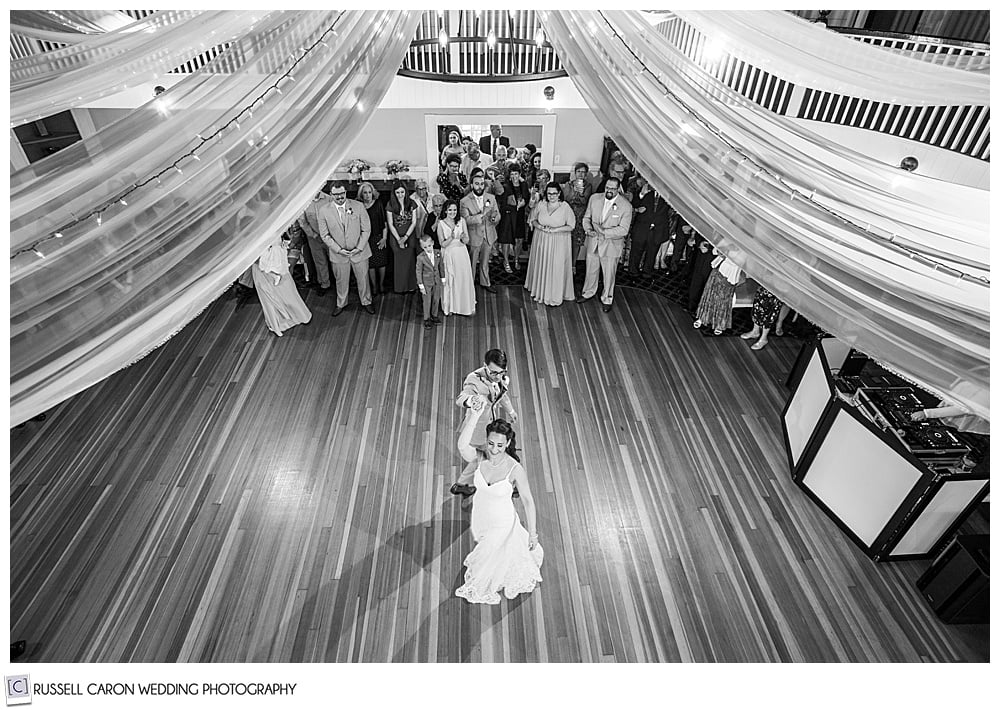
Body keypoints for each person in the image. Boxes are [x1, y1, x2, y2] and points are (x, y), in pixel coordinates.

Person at [454, 405, 542, 605]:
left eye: (500, 446)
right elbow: (462, 447)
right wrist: (474, 416)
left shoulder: (515, 469)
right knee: (493, 552)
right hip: (482, 516)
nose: (494, 450)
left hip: (502, 522)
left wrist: (533, 532)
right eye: (491, 443)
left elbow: (528, 501)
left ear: (508, 443)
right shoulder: (480, 458)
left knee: (489, 559)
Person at [451, 348, 519, 495]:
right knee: (494, 457)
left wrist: (511, 411)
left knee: (481, 458)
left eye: (502, 372)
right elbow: (461, 397)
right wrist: (471, 401)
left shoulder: (498, 376)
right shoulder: (473, 379)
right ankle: (508, 485)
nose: (497, 376)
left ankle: (462, 484)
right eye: (493, 372)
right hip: (478, 431)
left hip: (491, 427)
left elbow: (502, 395)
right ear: (485, 365)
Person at [318, 182, 374, 316]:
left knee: (363, 279)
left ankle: (366, 301)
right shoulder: (323, 211)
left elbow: (366, 229)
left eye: (342, 193)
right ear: (331, 195)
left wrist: (359, 247)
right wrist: (338, 250)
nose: (339, 197)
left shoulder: (358, 206)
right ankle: (341, 303)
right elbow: (325, 235)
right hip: (339, 254)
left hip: (359, 252)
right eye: (336, 194)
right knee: (341, 281)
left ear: (346, 193)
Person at [579, 176, 633, 313]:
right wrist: (588, 230)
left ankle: (607, 298)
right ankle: (588, 292)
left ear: (618, 189)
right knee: (591, 270)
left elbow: (624, 230)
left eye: (613, 189)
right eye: (607, 187)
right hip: (593, 242)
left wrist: (604, 232)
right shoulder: (594, 198)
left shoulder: (626, 206)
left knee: (609, 274)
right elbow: (587, 218)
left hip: (611, 245)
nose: (609, 191)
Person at [525, 181, 576, 306]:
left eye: (554, 193)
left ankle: (553, 294)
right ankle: (540, 290)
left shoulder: (565, 207)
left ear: (559, 194)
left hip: (558, 241)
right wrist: (541, 227)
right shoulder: (541, 205)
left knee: (556, 266)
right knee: (542, 264)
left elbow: (571, 226)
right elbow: (532, 219)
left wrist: (555, 230)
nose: (551, 196)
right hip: (541, 239)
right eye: (549, 193)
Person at [251, 233, 312, 336]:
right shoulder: (270, 232)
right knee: (269, 297)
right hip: (269, 267)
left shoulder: (268, 234)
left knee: (282, 294)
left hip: (275, 264)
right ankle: (279, 323)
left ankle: (293, 317)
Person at [460, 173, 501, 294]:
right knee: (472, 263)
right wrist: (482, 215)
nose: (479, 186)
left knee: (485, 262)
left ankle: (485, 282)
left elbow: (497, 213)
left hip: (488, 234)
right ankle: (470, 285)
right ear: (472, 185)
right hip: (474, 236)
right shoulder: (464, 201)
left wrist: (495, 218)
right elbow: (466, 220)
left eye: (482, 184)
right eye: (477, 184)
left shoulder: (491, 197)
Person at [437, 199, 476, 316]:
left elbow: (467, 239)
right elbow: (442, 244)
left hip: (461, 254)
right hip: (448, 253)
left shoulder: (462, 221)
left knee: (462, 279)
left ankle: (463, 306)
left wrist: (464, 238)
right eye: (450, 210)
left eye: (454, 210)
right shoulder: (441, 224)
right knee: (450, 281)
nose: (452, 212)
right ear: (445, 210)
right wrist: (451, 237)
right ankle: (450, 306)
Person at [627, 175, 671, 276]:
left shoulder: (668, 196)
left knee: (652, 252)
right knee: (636, 251)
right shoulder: (644, 192)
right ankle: (633, 272)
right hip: (642, 227)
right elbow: (635, 204)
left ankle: (647, 272)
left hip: (657, 229)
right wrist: (642, 194)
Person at [693, 250, 742, 334]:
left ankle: (719, 324)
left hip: (731, 273)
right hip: (719, 267)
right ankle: (703, 317)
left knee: (723, 298)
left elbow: (743, 261)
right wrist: (720, 252)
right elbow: (715, 251)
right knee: (709, 293)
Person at [296, 182, 333, 293]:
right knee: (320, 262)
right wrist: (314, 235)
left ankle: (339, 283)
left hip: (331, 237)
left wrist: (328, 235)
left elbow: (335, 218)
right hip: (314, 238)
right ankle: (324, 284)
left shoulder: (329, 199)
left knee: (335, 261)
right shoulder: (304, 202)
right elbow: (302, 222)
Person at [386, 182, 420, 293]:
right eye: (397, 192)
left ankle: (411, 286)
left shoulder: (412, 203)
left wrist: (405, 237)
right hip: (395, 236)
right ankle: (400, 287)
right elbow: (390, 224)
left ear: (405, 192)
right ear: (394, 193)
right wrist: (399, 239)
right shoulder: (390, 205)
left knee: (410, 261)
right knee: (399, 263)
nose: (400, 195)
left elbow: (414, 222)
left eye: (402, 192)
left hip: (409, 235)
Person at [358, 182, 388, 296]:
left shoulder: (379, 204)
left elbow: (384, 223)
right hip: (365, 239)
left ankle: (381, 285)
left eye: (369, 192)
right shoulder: (358, 206)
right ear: (361, 194)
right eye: (365, 193)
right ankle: (374, 287)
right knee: (370, 264)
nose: (367, 195)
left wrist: (384, 238)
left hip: (379, 237)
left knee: (381, 262)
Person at [498, 163, 529, 273]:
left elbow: (527, 197)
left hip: (519, 215)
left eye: (516, 174)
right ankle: (506, 261)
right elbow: (502, 201)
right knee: (506, 240)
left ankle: (516, 259)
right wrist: (514, 206)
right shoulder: (506, 186)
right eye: (512, 174)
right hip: (508, 215)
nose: (514, 176)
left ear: (519, 174)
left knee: (519, 239)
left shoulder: (523, 185)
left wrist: (521, 204)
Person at [563, 162, 594, 270]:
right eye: (579, 172)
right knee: (566, 240)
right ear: (575, 173)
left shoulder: (588, 186)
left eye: (583, 172)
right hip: (568, 214)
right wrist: (574, 192)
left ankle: (573, 264)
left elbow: (586, 201)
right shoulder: (569, 184)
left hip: (580, 216)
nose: (581, 174)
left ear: (586, 174)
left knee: (577, 241)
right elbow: (566, 199)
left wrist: (580, 193)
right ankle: (565, 264)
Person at [415, 234, 445, 329]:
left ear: (432, 243)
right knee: (427, 301)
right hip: (426, 282)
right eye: (425, 247)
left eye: (429, 246)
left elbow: (441, 266)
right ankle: (426, 318)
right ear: (421, 247)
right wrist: (421, 285)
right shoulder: (420, 257)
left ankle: (434, 315)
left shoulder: (438, 253)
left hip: (437, 281)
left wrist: (443, 278)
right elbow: (418, 271)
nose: (428, 248)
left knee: (436, 299)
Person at [741, 286, 783, 350]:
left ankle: (763, 338)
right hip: (767, 282)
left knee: (770, 310)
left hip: (778, 286)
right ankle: (755, 331)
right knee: (758, 304)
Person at [687, 237, 715, 313]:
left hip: (711, 264)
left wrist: (709, 248)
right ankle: (691, 307)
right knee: (695, 285)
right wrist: (700, 243)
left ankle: (702, 311)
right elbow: (698, 235)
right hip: (700, 261)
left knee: (707, 288)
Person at [410, 177, 434, 245]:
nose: (421, 191)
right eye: (419, 189)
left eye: (423, 189)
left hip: (431, 227)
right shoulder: (411, 199)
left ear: (426, 188)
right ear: (416, 189)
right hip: (419, 228)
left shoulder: (432, 197)